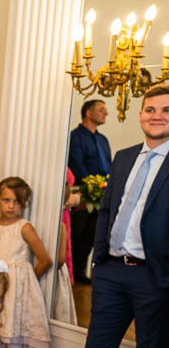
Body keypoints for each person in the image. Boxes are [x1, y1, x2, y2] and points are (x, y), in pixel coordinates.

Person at [27, 86, 169, 348]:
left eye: (166, 111)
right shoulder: (122, 157)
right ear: (140, 115)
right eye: (150, 109)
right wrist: (101, 260)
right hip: (112, 275)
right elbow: (107, 210)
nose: (156, 115)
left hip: (155, 280)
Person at [0, 177, 52, 348]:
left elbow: (45, 260)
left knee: (13, 338)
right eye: (6, 200)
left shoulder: (24, 227)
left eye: (17, 202)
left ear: (24, 203)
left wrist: (25, 280)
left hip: (15, 292)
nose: (11, 206)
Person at [67, 99, 111, 283]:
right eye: (101, 110)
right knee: (78, 232)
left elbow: (108, 163)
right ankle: (74, 274)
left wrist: (108, 184)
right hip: (82, 194)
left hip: (102, 193)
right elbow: (76, 163)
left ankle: (81, 272)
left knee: (91, 235)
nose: (106, 113)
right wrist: (92, 187)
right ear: (89, 113)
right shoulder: (75, 137)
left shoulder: (102, 139)